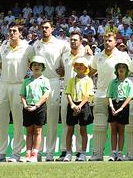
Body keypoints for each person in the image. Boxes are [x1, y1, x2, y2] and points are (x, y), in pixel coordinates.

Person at [89, 32, 132, 161]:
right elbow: (90, 72)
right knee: (99, 126)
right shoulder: (97, 57)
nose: (107, 43)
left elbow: (128, 73)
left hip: (118, 98)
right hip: (101, 95)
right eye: (106, 40)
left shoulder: (122, 56)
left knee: (119, 128)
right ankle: (97, 154)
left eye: (110, 40)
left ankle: (119, 153)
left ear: (115, 42)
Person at [0, 23, 34, 163]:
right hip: (4, 84)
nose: (12, 33)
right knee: (2, 120)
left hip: (19, 85)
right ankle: (0, 152)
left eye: (15, 31)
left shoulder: (28, 48)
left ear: (20, 33)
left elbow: (34, 64)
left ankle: (16, 153)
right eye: (10, 31)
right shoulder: (3, 48)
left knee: (18, 121)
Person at [32, 19, 68, 161]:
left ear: (52, 29)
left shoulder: (61, 44)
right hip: (38, 82)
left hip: (53, 82)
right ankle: (37, 152)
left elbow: (73, 54)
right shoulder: (36, 44)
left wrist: (64, 69)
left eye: (47, 27)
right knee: (39, 120)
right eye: (42, 27)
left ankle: (50, 153)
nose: (44, 29)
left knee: (52, 120)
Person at [59, 30, 91, 161]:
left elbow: (92, 71)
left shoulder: (87, 54)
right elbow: (61, 71)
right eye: (71, 39)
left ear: (81, 41)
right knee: (67, 125)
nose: (73, 42)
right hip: (68, 94)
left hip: (83, 97)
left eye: (76, 40)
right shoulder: (65, 55)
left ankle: (80, 151)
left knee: (81, 127)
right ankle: (66, 151)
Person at [21, 56, 52, 163]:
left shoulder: (45, 80)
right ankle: (28, 153)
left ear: (42, 67)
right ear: (31, 67)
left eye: (39, 65)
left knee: (38, 131)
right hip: (28, 107)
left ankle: (35, 154)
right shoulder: (26, 81)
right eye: (34, 65)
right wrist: (25, 105)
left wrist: (37, 106)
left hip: (39, 107)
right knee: (29, 131)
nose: (36, 66)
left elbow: (46, 95)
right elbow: (22, 95)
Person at [65, 57, 94, 162]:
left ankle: (82, 153)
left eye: (81, 65)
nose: (78, 66)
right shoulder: (71, 80)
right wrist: (72, 105)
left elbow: (87, 95)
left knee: (83, 130)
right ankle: (68, 153)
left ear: (85, 67)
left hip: (83, 105)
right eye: (77, 64)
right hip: (72, 105)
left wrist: (80, 106)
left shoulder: (88, 80)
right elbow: (68, 93)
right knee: (70, 130)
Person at [107, 61, 133, 161]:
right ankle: (113, 152)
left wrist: (121, 108)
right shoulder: (113, 82)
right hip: (113, 104)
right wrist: (111, 106)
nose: (121, 69)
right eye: (119, 67)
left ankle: (120, 153)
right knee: (113, 130)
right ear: (117, 70)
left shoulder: (129, 82)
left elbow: (130, 96)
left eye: (123, 68)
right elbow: (109, 95)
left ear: (126, 71)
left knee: (121, 130)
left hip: (123, 105)